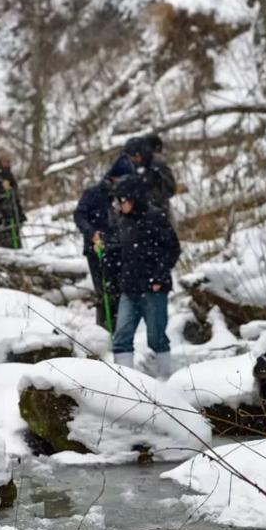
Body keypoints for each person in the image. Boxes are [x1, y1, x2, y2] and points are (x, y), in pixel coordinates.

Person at [111, 173, 181, 378]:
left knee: (156, 336)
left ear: (134, 198)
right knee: (121, 336)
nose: (119, 205)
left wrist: (159, 277)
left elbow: (172, 249)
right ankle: (124, 381)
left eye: (122, 200)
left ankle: (165, 378)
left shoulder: (155, 217)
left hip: (153, 288)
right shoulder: (122, 221)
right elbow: (120, 251)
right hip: (129, 288)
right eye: (118, 200)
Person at [73, 165, 130, 330]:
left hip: (120, 248)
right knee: (104, 292)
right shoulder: (94, 193)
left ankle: (121, 328)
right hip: (97, 248)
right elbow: (79, 215)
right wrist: (91, 233)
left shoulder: (124, 196)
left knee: (121, 291)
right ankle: (105, 329)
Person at [106, 134, 176, 218]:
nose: (134, 159)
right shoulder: (125, 166)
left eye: (136, 156)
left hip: (157, 211)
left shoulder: (155, 165)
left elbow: (169, 189)